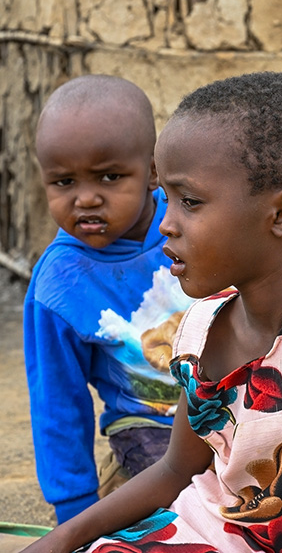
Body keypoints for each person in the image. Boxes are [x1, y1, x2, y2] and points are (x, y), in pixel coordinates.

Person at [25, 71, 282, 553]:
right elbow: (176, 469)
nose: (165, 224)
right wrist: (63, 539)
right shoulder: (200, 328)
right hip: (208, 530)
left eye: (189, 202)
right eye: (167, 201)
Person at [24, 75, 192, 523]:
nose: (86, 199)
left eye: (110, 177)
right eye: (64, 182)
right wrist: (75, 508)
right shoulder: (59, 286)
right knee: (179, 507)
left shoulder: (191, 222)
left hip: (231, 407)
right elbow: (57, 401)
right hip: (150, 428)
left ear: (153, 171)